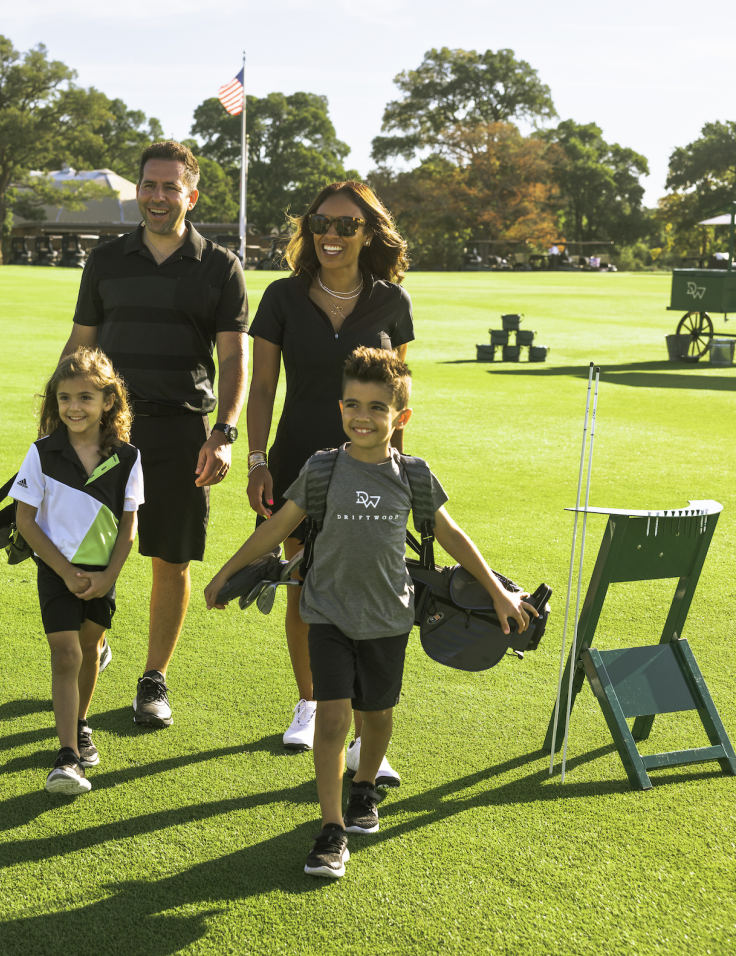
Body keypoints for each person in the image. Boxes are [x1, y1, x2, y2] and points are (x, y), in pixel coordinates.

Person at [206, 347, 531, 878]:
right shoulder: (322, 468)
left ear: (400, 418)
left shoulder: (413, 475)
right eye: (353, 405)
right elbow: (275, 528)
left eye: (378, 408)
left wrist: (496, 591)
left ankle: (364, 787)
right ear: (340, 409)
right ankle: (331, 829)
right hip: (327, 613)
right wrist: (225, 572)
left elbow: (451, 535)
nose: (363, 417)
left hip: (389, 619)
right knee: (333, 718)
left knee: (376, 718)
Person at [62, 140, 248, 729]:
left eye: (171, 187)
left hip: (183, 433)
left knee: (170, 559)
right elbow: (81, 345)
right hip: (106, 432)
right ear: (137, 191)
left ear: (192, 194)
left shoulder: (220, 266)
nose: (159, 196)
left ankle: (153, 676)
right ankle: (94, 645)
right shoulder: (106, 261)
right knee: (89, 550)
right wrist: (56, 420)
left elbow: (234, 360)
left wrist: (223, 432)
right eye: (149, 185)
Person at [244, 181, 414, 764]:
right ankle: (311, 706)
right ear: (307, 231)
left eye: (346, 226)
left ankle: (370, 736)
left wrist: (401, 474)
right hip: (298, 462)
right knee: (304, 585)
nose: (332, 236)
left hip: (372, 470)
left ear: (368, 233)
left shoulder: (392, 301)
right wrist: (257, 460)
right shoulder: (281, 297)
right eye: (321, 225)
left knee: (368, 591)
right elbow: (262, 385)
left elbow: (396, 395)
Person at [12, 348, 143, 794]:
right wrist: (66, 572)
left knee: (89, 650)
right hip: (56, 570)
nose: (73, 407)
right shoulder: (42, 454)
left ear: (108, 401)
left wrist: (107, 578)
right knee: (66, 654)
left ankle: (81, 723)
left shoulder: (128, 459)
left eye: (85, 397)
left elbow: (129, 528)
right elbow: (25, 522)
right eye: (64, 397)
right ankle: (67, 756)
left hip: (102, 575)